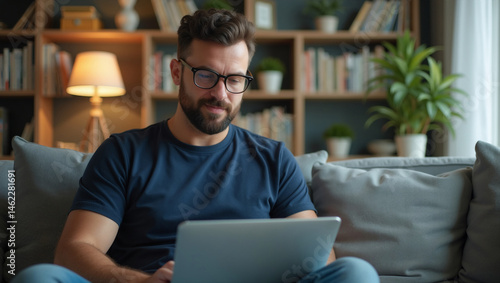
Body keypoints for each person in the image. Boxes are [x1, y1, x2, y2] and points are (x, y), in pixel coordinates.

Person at [13, 9, 379, 283]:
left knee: (357, 273)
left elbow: (319, 253)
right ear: (176, 72)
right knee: (38, 277)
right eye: (206, 75)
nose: (220, 93)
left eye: (234, 79)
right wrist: (139, 280)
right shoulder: (123, 153)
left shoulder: (274, 159)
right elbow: (74, 249)